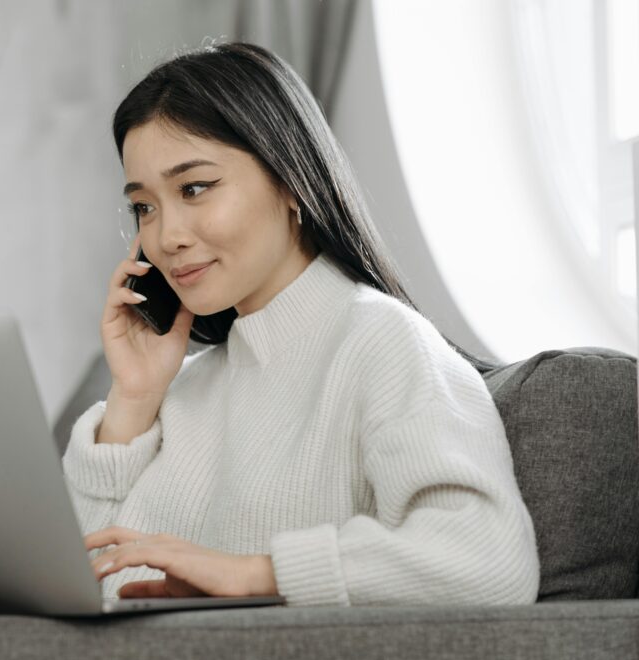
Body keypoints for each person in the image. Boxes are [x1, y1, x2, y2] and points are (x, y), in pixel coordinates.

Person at [61, 41, 540, 606]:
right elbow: (78, 596)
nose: (166, 237)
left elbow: (490, 561)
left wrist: (257, 575)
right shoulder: (178, 392)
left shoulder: (381, 343)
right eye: (145, 206)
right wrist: (133, 401)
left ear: (290, 181)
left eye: (194, 188)